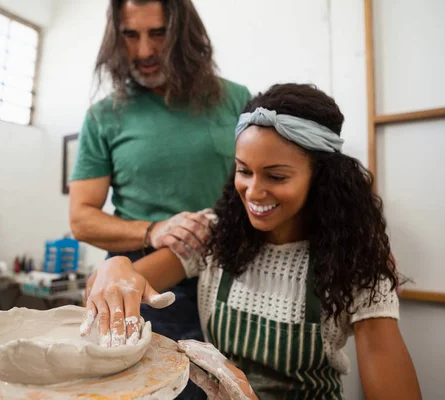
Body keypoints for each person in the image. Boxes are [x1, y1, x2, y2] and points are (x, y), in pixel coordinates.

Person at [81, 83, 422, 399]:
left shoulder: (355, 260)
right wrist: (115, 265)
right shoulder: (215, 235)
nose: (254, 192)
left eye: (276, 176)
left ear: (322, 176)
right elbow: (122, 285)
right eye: (244, 171)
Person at [70, 0, 250, 370]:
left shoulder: (236, 99)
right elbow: (82, 219)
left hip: (234, 271)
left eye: (159, 34)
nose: (145, 51)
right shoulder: (104, 116)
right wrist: (153, 230)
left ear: (184, 35)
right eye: (130, 35)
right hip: (147, 282)